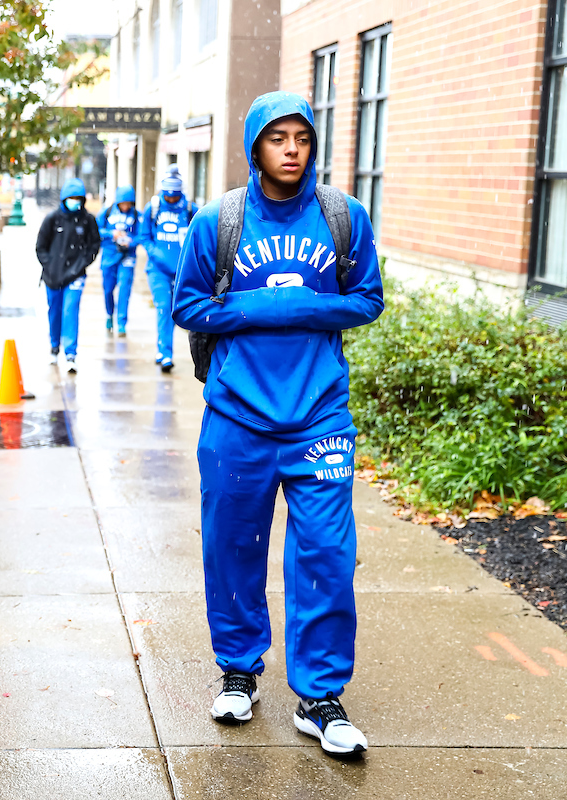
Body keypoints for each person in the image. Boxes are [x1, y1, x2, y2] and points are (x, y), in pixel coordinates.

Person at [171, 91, 384, 757]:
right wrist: (268, 305)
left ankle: (319, 697)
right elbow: (188, 306)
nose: (291, 148)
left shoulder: (343, 217)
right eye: (277, 138)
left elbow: (367, 300)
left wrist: (297, 309)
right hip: (237, 416)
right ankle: (239, 671)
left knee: (326, 554)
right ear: (254, 147)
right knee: (232, 549)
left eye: (301, 137)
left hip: (320, 415)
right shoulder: (220, 221)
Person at [36, 177, 100, 374]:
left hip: (75, 277)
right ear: (64, 198)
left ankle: (71, 354)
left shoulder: (88, 220)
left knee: (70, 311)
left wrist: (81, 264)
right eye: (71, 197)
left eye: (78, 198)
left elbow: (94, 245)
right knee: (54, 312)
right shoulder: (52, 219)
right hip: (52, 278)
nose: (75, 201)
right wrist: (50, 265)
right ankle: (54, 347)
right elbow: (41, 247)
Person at [140, 165, 197, 373]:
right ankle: (165, 353)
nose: (171, 200)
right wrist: (156, 254)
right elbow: (144, 236)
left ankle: (163, 347)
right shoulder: (152, 208)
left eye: (175, 197)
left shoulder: (191, 209)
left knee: (175, 313)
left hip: (183, 272)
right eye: (168, 196)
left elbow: (199, 238)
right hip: (157, 271)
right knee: (163, 307)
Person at [97, 185, 140, 336]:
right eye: (123, 203)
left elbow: (142, 234)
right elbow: (96, 230)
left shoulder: (136, 215)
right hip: (109, 256)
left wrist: (131, 241)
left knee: (124, 290)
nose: (126, 206)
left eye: (129, 203)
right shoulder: (107, 213)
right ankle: (109, 314)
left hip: (127, 256)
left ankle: (121, 323)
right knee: (108, 289)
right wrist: (111, 234)